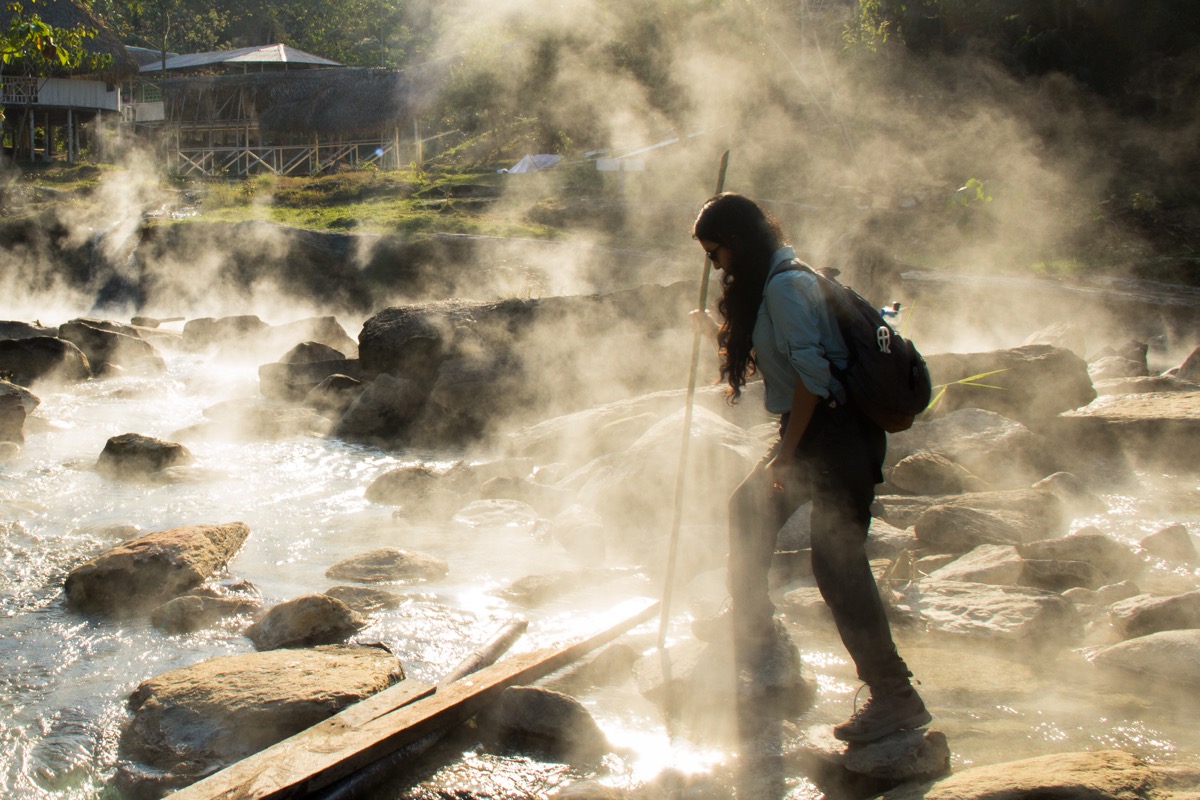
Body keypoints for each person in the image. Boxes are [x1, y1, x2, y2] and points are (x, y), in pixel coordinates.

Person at [691, 192, 931, 744]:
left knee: (837, 566)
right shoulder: (776, 277)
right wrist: (711, 331)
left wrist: (788, 454)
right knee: (747, 510)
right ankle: (751, 626)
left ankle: (895, 695)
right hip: (821, 433)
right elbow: (775, 361)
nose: (715, 265)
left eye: (716, 253)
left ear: (739, 243)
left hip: (836, 438)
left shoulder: (787, 285)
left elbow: (812, 381)